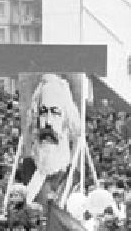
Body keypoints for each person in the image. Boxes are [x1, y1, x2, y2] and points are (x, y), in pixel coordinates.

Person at [16, 73, 82, 204]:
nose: (48, 122)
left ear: (67, 119)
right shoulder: (25, 170)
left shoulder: (75, 177)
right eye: (43, 112)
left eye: (55, 112)